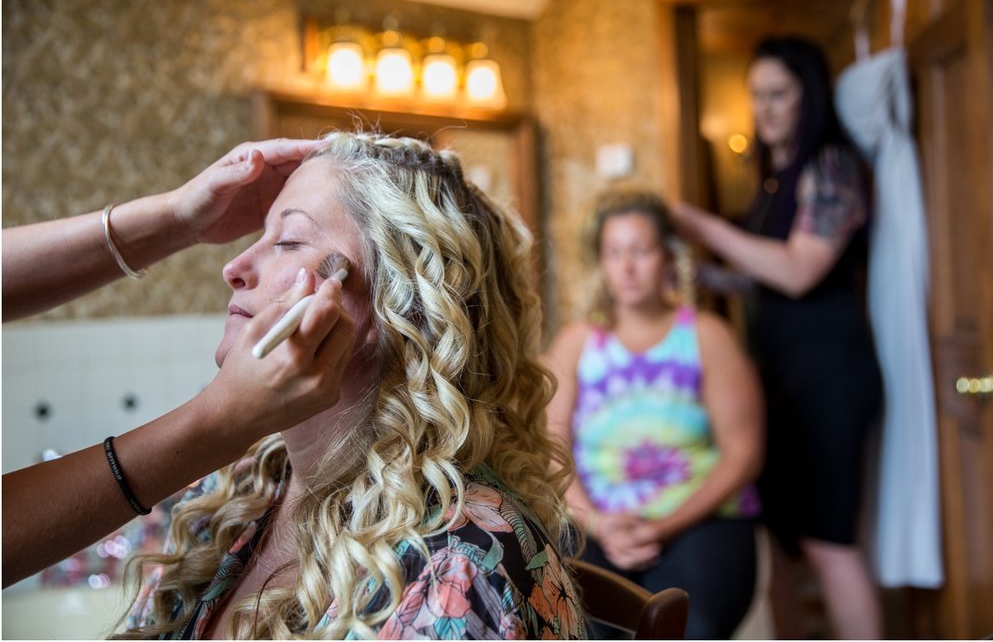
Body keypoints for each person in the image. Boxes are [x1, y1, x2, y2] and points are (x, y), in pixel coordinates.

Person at [113, 131, 586, 639]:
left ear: (404, 301)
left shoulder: (463, 562)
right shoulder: (236, 491)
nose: (234, 268)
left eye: (289, 240)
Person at [2, 138, 356, 587]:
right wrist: (216, 420)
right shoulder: (229, 502)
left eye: (287, 241)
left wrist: (175, 219)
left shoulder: (456, 569)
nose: (233, 266)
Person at [671, 36, 884, 639]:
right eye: (756, 96)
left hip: (830, 379)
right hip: (781, 379)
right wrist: (697, 274)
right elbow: (761, 278)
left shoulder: (831, 165)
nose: (764, 109)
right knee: (784, 544)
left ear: (808, 97)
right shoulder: (773, 179)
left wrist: (703, 224)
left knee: (828, 542)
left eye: (778, 95)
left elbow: (799, 269)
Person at [546, 188, 764, 639]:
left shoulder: (707, 335)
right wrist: (599, 523)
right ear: (601, 263)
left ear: (668, 256)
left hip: (699, 520)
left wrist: (662, 526)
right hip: (595, 522)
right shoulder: (576, 343)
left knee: (690, 629)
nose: (627, 267)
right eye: (615, 253)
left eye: (641, 251)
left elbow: (743, 453)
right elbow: (551, 447)